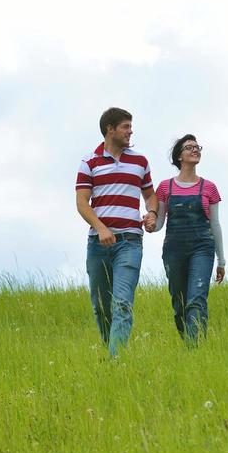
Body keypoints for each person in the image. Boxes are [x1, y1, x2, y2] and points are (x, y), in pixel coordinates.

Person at [75, 107, 157, 357]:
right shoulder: (89, 161)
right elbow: (81, 202)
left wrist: (152, 213)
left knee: (122, 302)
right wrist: (101, 228)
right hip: (98, 245)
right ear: (110, 129)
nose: (130, 131)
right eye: (126, 126)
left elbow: (150, 195)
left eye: (130, 126)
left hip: (130, 242)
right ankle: (110, 349)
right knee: (101, 307)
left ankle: (115, 360)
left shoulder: (140, 161)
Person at [146, 133, 225, 344]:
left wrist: (221, 260)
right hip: (174, 249)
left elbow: (215, 225)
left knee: (197, 300)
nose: (195, 150)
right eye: (189, 147)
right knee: (179, 302)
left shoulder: (209, 188)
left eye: (197, 147)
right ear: (179, 156)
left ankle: (195, 348)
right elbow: (160, 222)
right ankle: (188, 341)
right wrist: (151, 224)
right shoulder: (165, 187)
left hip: (203, 247)